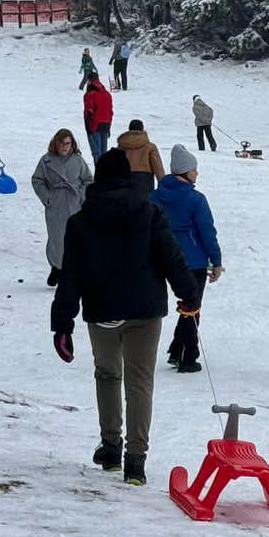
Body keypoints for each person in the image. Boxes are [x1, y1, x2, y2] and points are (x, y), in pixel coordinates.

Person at [51, 152, 199, 485]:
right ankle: (135, 459)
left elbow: (70, 276)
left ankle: (110, 446)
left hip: (102, 311)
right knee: (139, 382)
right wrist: (188, 293)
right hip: (144, 310)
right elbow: (170, 257)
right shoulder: (148, 212)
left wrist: (62, 323)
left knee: (106, 374)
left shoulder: (80, 222)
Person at [153, 146, 223, 373]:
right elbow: (206, 231)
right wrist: (217, 261)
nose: (197, 173)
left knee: (187, 307)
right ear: (185, 172)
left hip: (160, 257)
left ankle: (176, 349)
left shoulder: (154, 197)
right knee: (192, 307)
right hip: (192, 261)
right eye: (194, 170)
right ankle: (187, 356)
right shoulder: (195, 199)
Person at [31, 128, 93, 285]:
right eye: (63, 143)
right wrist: (47, 197)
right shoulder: (46, 161)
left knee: (76, 238)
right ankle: (56, 267)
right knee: (57, 238)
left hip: (75, 204)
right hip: (56, 204)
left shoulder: (78, 160)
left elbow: (88, 180)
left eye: (68, 143)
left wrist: (82, 195)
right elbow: (37, 180)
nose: (66, 146)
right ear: (56, 143)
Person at [82, 75, 114, 164]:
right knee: (104, 152)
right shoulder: (107, 94)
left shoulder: (90, 94)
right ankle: (105, 174)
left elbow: (89, 111)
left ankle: (100, 175)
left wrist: (88, 127)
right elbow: (110, 112)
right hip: (106, 124)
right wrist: (109, 127)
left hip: (94, 125)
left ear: (89, 81)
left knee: (96, 152)